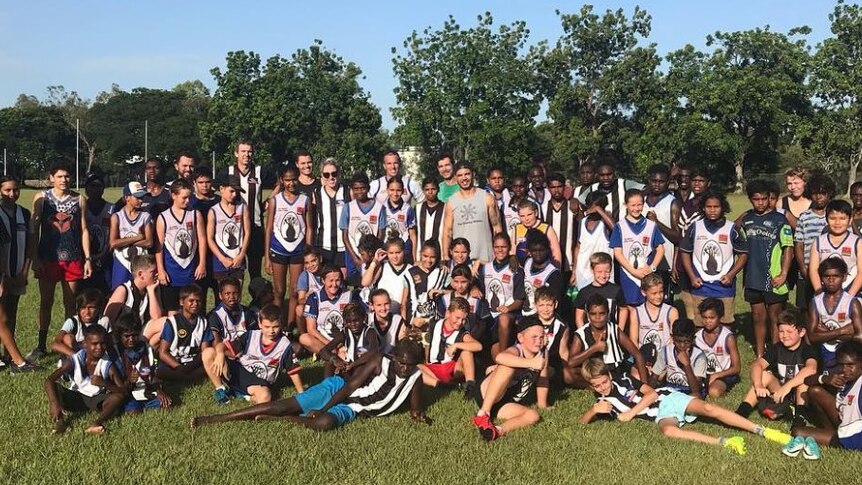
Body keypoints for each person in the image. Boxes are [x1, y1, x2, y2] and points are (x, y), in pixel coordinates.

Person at [191, 338, 429, 431]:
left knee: (324, 424)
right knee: (284, 404)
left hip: (355, 408)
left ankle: (281, 421)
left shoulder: (414, 377)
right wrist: (323, 407)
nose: (404, 368)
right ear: (395, 356)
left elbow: (415, 406)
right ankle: (214, 419)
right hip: (339, 389)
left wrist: (419, 415)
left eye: (410, 365)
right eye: (402, 362)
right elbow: (349, 387)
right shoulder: (380, 359)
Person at [579, 357, 791, 455]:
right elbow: (580, 423)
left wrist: (631, 413)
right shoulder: (603, 403)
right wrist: (592, 411)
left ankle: (763, 431)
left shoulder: (624, 379)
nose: (603, 387)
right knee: (670, 431)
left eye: (604, 381)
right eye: (596, 386)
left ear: (609, 375)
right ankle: (726, 442)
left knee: (709, 409)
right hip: (659, 416)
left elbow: (651, 393)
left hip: (667, 399)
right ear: (591, 387)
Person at [29, 163, 94, 360]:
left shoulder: (78, 199)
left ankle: (68, 344)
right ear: (51, 178)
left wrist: (88, 258)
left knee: (70, 304)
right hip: (48, 258)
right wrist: (35, 257)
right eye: (60, 176)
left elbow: (83, 230)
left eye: (67, 176)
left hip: (73, 259)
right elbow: (34, 229)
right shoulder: (42, 198)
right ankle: (41, 345)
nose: (64, 180)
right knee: (46, 302)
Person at [471, 316, 549, 441]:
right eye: (534, 337)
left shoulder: (543, 353)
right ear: (521, 338)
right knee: (508, 366)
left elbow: (543, 379)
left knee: (533, 415)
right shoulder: (516, 350)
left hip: (506, 402)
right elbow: (500, 358)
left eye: (541, 337)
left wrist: (542, 404)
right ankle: (483, 413)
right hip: (487, 394)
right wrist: (531, 363)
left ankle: (497, 431)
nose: (538, 341)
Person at [739, 180, 793, 358]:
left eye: (764, 199)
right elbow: (733, 229)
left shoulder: (779, 220)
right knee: (757, 318)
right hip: (753, 277)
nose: (761, 203)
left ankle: (777, 356)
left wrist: (784, 273)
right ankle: (761, 355)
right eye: (756, 199)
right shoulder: (747, 219)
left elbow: (788, 248)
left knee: (775, 318)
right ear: (750, 199)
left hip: (774, 278)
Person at [735, 310, 818, 425]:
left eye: (789, 332)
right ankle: (742, 412)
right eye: (781, 332)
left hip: (800, 394)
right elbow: (757, 365)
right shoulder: (776, 348)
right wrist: (758, 385)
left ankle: (800, 416)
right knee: (764, 375)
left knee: (804, 381)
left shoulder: (807, 349)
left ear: (802, 332)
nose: (785, 336)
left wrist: (788, 386)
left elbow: (811, 369)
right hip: (780, 392)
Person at [679, 191, 747, 327]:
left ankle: (723, 348)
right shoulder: (695, 227)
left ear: (723, 208)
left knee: (725, 323)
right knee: (700, 323)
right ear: (703, 208)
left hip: (724, 287)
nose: (712, 210)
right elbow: (684, 252)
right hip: (701, 286)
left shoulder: (731, 229)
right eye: (709, 207)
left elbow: (743, 254)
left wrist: (731, 275)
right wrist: (692, 277)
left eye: (716, 207)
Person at [44, 325, 126, 434]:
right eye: (95, 344)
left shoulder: (107, 364)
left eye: (102, 343)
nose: (99, 347)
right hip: (76, 396)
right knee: (56, 388)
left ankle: (97, 423)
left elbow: (123, 391)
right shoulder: (74, 360)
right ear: (84, 344)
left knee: (117, 398)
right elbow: (49, 380)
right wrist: (54, 403)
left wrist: (105, 384)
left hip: (97, 400)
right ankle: (60, 423)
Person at [785, 341, 862, 457]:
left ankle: (828, 436)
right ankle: (828, 430)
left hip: (852, 438)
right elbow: (807, 381)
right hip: (842, 422)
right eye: (842, 365)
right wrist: (825, 378)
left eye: (850, 365)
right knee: (814, 391)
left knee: (797, 432)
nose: (845, 370)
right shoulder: (843, 376)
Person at [220, 303, 304, 404]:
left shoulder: (284, 345)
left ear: (281, 324)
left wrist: (301, 393)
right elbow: (222, 346)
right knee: (209, 353)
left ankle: (245, 396)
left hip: (260, 382)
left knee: (265, 397)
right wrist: (220, 354)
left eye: (275, 327)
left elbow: (293, 371)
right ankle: (220, 389)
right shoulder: (251, 335)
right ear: (260, 324)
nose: (271, 331)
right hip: (240, 372)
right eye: (267, 327)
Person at [564, 294, 648, 388]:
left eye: (602, 313)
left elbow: (638, 355)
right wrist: (593, 348)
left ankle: (604, 385)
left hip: (613, 372)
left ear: (607, 314)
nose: (597, 317)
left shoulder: (614, 330)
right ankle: (595, 387)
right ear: (587, 315)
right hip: (592, 373)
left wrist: (644, 384)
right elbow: (570, 363)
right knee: (567, 374)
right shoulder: (581, 333)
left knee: (634, 374)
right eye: (593, 314)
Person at [0, 176, 40, 371]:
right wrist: (4, 276)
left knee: (12, 313)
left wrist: (24, 272)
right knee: (2, 317)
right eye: (7, 190)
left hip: (19, 271)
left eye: (15, 190)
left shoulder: (23, 214)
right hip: (2, 274)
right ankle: (13, 359)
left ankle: (8, 355)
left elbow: (31, 244)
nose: (12, 194)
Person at [265, 164, 313, 328]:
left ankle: (290, 325)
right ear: (281, 181)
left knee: (294, 290)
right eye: (287, 180)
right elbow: (269, 228)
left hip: (298, 251)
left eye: (294, 179)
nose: (291, 183)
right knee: (279, 291)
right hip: (278, 249)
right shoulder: (275, 201)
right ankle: (276, 324)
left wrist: (308, 252)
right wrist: (267, 257)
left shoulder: (305, 199)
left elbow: (309, 228)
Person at [155, 285, 220, 391]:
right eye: (191, 301)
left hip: (193, 363)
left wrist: (191, 367)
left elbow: (204, 351)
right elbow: (163, 352)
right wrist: (178, 367)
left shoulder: (203, 322)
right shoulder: (172, 322)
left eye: (198, 301)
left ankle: (183, 379)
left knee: (211, 366)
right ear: (182, 302)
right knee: (161, 371)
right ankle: (186, 378)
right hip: (175, 363)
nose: (195, 304)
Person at [155, 179, 206, 312]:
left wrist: (202, 264)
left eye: (189, 197)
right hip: (171, 272)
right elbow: (158, 246)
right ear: (173, 196)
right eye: (184, 197)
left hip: (191, 271)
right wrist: (161, 270)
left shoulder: (195, 214)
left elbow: (202, 239)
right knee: (172, 312)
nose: (188, 201)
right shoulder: (163, 217)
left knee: (193, 310)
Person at [610, 189, 665, 306]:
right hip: (628, 275)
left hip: (647, 275)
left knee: (648, 305)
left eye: (639, 204)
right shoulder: (619, 227)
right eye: (633, 205)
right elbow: (618, 253)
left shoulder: (651, 226)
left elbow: (660, 249)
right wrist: (633, 271)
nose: (636, 208)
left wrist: (652, 268)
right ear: (625, 205)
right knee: (630, 307)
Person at [794, 174, 835, 324]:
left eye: (823, 193)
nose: (819, 197)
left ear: (829, 194)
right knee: (806, 308)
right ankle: (808, 340)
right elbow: (798, 244)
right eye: (815, 193)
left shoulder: (834, 217)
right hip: (806, 271)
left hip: (829, 271)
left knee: (828, 305)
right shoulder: (804, 217)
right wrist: (803, 268)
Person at [808, 258, 862, 371]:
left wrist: (825, 333)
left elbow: (860, 337)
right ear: (821, 278)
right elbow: (812, 337)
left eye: (836, 276)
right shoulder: (815, 302)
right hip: (823, 352)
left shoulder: (852, 303)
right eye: (827, 276)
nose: (831, 280)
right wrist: (842, 331)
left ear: (844, 277)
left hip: (847, 353)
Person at [442, 162, 502, 263]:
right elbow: (447, 232)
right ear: (455, 178)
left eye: (467, 174)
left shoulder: (487, 198)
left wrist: (500, 255)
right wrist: (445, 257)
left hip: (485, 259)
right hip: (461, 261)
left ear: (473, 174)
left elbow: (497, 228)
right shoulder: (451, 202)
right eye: (460, 175)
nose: (464, 178)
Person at [476, 233, 525, 356]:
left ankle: (504, 357)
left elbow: (519, 300)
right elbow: (479, 289)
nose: (500, 250)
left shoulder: (516, 269)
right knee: (495, 355)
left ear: (509, 247)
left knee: (503, 318)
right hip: (491, 319)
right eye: (497, 247)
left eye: (503, 247)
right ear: (493, 248)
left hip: (510, 317)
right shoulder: (485, 268)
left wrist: (508, 308)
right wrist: (474, 288)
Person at [225, 140, 267, 279]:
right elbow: (216, 188)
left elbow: (279, 182)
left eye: (249, 151)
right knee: (234, 268)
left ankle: (256, 300)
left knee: (255, 270)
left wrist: (268, 202)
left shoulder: (259, 171)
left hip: (255, 226)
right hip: (235, 228)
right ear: (236, 153)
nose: (246, 154)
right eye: (243, 151)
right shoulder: (228, 172)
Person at [112, 314, 171, 414]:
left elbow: (154, 374)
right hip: (127, 393)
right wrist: (129, 381)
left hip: (146, 391)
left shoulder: (147, 349)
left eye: (135, 335)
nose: (131, 339)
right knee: (134, 411)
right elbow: (117, 384)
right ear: (119, 335)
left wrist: (159, 391)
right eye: (127, 336)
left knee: (167, 404)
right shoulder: (116, 353)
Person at [424, 296, 481, 397]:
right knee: (417, 368)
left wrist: (456, 345)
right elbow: (428, 344)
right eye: (457, 318)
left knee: (466, 353)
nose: (460, 322)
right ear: (448, 313)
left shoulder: (462, 333)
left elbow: (478, 346)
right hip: (434, 367)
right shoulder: (434, 324)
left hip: (451, 368)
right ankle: (440, 385)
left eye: (463, 319)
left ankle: (470, 386)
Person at [104, 254, 163, 347]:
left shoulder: (154, 288)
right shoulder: (123, 290)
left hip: (139, 333)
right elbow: (107, 319)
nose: (157, 274)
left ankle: (147, 350)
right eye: (153, 271)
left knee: (167, 323)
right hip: (124, 335)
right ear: (140, 274)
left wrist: (151, 292)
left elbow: (156, 318)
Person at [643, 164, 681, 303]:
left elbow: (677, 236)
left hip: (665, 263)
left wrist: (656, 222)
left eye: (661, 181)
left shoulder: (672, 203)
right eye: (654, 181)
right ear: (648, 180)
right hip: (644, 261)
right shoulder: (641, 201)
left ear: (668, 182)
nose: (657, 184)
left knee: (663, 302)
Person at [677, 168, 711, 319]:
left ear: (708, 183)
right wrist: (675, 261)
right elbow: (680, 234)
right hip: (684, 258)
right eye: (694, 180)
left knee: (703, 298)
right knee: (687, 296)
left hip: (702, 259)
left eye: (701, 181)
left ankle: (704, 328)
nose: (697, 184)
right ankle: (693, 325)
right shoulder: (687, 204)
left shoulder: (711, 205)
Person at [300, 266, 358, 355]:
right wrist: (330, 344)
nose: (334, 284)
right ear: (323, 280)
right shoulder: (314, 297)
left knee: (343, 354)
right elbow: (311, 329)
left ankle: (334, 355)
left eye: (337, 280)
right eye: (331, 280)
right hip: (323, 340)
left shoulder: (349, 296)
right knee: (304, 338)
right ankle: (330, 354)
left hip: (343, 339)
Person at [809, 199, 862, 296]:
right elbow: (813, 270)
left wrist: (849, 296)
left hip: (851, 291)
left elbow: (861, 272)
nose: (837, 222)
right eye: (832, 218)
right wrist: (819, 292)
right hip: (825, 292)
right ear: (826, 219)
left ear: (850, 220)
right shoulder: (818, 242)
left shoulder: (857, 242)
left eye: (842, 218)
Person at [207, 173, 250, 291]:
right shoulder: (214, 211)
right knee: (222, 296)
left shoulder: (242, 208)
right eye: (231, 191)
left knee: (237, 295)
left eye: (237, 191)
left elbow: (247, 233)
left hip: (238, 258)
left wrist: (241, 255)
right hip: (220, 261)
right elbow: (209, 238)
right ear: (221, 189)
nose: (234, 194)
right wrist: (222, 258)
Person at [341, 173, 385, 286]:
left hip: (371, 255)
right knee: (354, 284)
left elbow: (380, 234)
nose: (359, 192)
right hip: (353, 254)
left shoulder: (379, 207)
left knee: (371, 283)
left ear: (368, 188)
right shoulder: (348, 207)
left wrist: (372, 256)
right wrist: (355, 257)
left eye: (363, 188)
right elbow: (345, 236)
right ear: (352, 189)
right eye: (356, 189)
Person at [109, 181, 153, 290]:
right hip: (121, 262)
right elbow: (113, 243)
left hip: (141, 263)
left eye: (142, 197)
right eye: (137, 197)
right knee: (119, 293)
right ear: (127, 197)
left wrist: (123, 241)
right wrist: (137, 237)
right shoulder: (117, 217)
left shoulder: (145, 216)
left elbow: (149, 242)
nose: (141, 200)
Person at [318, 302, 381, 376]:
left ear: (364, 318)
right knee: (329, 363)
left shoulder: (370, 332)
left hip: (365, 368)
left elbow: (374, 352)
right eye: (349, 322)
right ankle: (327, 385)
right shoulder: (345, 332)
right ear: (345, 322)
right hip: (350, 366)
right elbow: (323, 351)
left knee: (360, 368)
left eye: (356, 320)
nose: (353, 325)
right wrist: (335, 359)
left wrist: (354, 364)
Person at [695, 298, 741, 398]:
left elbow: (736, 367)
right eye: (704, 317)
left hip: (724, 375)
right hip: (703, 375)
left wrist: (717, 375)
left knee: (713, 392)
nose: (708, 321)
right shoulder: (697, 338)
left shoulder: (728, 337)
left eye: (711, 318)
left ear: (720, 317)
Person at [629, 273, 678, 367]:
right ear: (644, 292)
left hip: (665, 358)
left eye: (661, 292)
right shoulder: (636, 312)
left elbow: (674, 339)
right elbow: (633, 341)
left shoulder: (671, 311)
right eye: (654, 293)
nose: (659, 296)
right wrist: (641, 360)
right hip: (643, 357)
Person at [312, 158, 350, 272]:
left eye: (334, 173)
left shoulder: (347, 191)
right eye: (326, 174)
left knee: (342, 282)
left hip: (343, 245)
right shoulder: (316, 193)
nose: (331, 177)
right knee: (326, 280)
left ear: (339, 173)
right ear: (322, 176)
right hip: (323, 245)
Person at [652, 319, 707, 396]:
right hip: (671, 389)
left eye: (686, 342)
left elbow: (696, 390)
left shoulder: (699, 356)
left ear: (693, 339)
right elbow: (654, 377)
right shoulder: (666, 351)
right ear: (672, 338)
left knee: (696, 397)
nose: (682, 345)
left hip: (688, 391)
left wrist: (687, 365)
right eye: (678, 341)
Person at [573, 252, 626, 329]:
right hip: (590, 333)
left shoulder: (616, 290)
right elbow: (579, 317)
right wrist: (583, 334)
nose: (603, 275)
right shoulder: (584, 292)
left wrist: (619, 330)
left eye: (607, 272)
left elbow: (623, 309)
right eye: (599, 272)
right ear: (592, 270)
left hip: (610, 332)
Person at [543, 173, 579, 288]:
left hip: (569, 263)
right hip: (548, 263)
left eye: (559, 187)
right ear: (548, 189)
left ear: (564, 187)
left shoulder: (572, 207)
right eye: (553, 187)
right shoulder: (542, 208)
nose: (556, 190)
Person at [573, 191, 614, 290]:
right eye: (591, 206)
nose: (593, 210)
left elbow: (615, 228)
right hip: (583, 272)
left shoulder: (605, 223)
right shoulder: (582, 223)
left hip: (603, 274)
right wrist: (574, 271)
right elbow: (578, 247)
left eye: (596, 207)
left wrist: (599, 210)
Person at [51, 288, 110, 357]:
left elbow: (108, 343)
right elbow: (55, 344)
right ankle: (74, 363)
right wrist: (77, 357)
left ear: (98, 308)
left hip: (96, 356)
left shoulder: (103, 320)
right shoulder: (73, 321)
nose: (87, 312)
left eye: (91, 307)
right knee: (67, 338)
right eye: (83, 307)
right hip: (74, 355)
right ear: (78, 309)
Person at [362, 238, 412, 320]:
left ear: (404, 251)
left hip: (401, 312)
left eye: (398, 252)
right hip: (382, 311)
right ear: (386, 253)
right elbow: (365, 283)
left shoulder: (411, 269)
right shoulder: (382, 266)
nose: (395, 256)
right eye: (391, 253)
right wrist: (375, 261)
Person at [81, 173, 114, 295]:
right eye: (92, 185)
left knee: (107, 293)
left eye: (98, 185)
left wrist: (103, 257)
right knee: (84, 294)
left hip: (106, 258)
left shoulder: (111, 209)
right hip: (84, 259)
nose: (95, 188)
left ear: (103, 188)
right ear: (86, 189)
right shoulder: (79, 208)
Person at [406, 239, 449, 328]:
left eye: (432, 257)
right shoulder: (411, 272)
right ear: (420, 253)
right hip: (415, 321)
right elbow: (404, 302)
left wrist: (442, 291)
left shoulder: (442, 272)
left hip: (436, 322)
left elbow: (456, 291)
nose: (428, 260)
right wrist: (410, 321)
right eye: (425, 256)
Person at [521, 229, 564, 317]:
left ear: (548, 250)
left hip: (541, 317)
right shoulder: (527, 263)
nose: (538, 253)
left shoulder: (553, 274)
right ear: (529, 251)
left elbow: (555, 305)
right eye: (534, 250)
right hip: (523, 314)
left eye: (541, 250)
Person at [588, 154, 644, 221]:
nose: (606, 178)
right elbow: (579, 202)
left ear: (614, 173)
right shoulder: (593, 188)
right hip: (600, 230)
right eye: (602, 175)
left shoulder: (624, 184)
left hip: (622, 228)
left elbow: (645, 188)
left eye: (609, 174)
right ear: (597, 175)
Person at [511, 200, 562, 267]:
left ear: (536, 213)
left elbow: (556, 253)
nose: (526, 219)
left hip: (543, 270)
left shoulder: (546, 228)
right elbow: (512, 251)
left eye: (529, 214)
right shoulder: (516, 228)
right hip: (522, 271)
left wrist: (556, 271)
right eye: (522, 216)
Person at [381, 177, 418, 263]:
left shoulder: (408, 209)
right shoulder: (381, 208)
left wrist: (414, 258)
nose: (395, 193)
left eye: (398, 190)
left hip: (404, 250)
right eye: (392, 190)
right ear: (387, 190)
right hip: (387, 249)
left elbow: (413, 235)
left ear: (403, 191)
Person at [368, 289, 407, 353]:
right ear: (372, 306)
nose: (383, 308)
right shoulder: (367, 320)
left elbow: (402, 346)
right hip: (371, 359)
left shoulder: (398, 321)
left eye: (386, 304)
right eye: (379, 305)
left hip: (392, 359)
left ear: (390, 303)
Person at [415, 177, 445, 262]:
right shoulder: (417, 208)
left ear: (438, 189)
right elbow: (414, 235)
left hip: (440, 256)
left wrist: (445, 258)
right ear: (423, 191)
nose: (430, 192)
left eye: (433, 189)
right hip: (421, 256)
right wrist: (416, 258)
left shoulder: (446, 208)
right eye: (427, 189)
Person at [295, 248, 323, 329]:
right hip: (313, 306)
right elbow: (300, 300)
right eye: (307, 263)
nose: (311, 265)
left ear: (320, 259)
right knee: (299, 309)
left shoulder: (328, 272)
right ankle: (302, 334)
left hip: (328, 305)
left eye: (313, 261)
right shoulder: (305, 276)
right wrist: (307, 297)